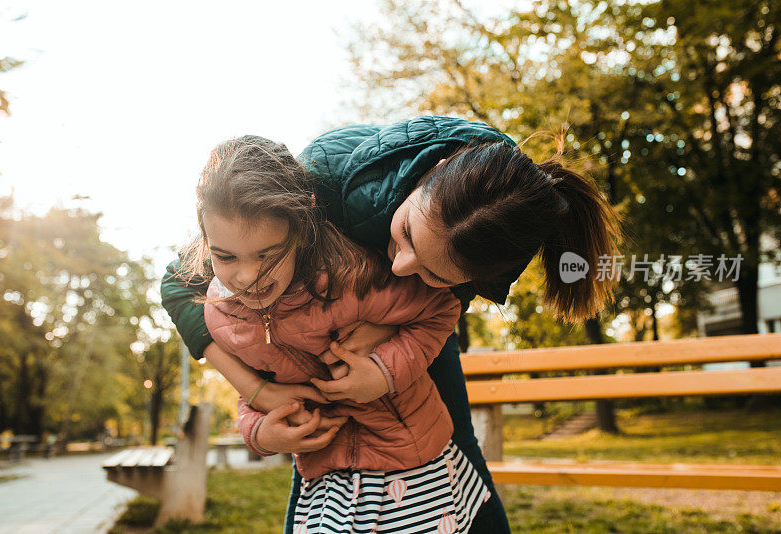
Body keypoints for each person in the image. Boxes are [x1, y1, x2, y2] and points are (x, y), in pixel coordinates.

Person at [162, 116, 622, 533]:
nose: (402, 265)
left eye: (433, 271)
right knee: (319, 457)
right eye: (403, 235)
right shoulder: (314, 184)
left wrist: (384, 357)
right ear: (432, 174)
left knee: (454, 441)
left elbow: (440, 308)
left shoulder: (503, 228)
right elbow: (177, 283)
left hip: (412, 329)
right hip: (312, 340)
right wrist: (259, 392)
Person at [192, 136, 491, 533]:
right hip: (327, 481)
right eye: (225, 257)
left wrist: (383, 371)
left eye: (268, 255)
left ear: (301, 229)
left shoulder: (350, 278)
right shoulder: (222, 315)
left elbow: (439, 309)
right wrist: (260, 433)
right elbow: (256, 389)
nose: (248, 277)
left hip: (409, 461)